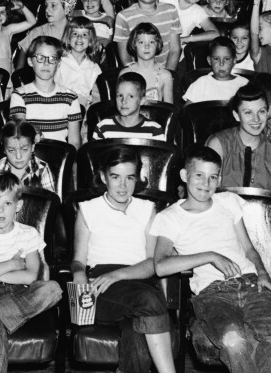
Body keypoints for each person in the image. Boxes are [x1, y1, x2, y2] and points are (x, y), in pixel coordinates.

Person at [151, 145, 271, 373]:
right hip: (213, 293)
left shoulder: (228, 202)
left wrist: (263, 274)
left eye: (213, 177)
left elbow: (250, 250)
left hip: (252, 285)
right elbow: (161, 266)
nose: (206, 183)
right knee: (234, 341)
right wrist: (210, 256)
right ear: (185, 176)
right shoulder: (170, 217)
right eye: (199, 176)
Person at [70, 146, 177, 373]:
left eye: (129, 178)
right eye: (115, 177)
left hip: (138, 281)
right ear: (103, 177)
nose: (122, 185)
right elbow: (78, 260)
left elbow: (152, 263)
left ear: (136, 179)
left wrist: (118, 275)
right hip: (100, 288)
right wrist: (79, 274)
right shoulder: (89, 209)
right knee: (150, 301)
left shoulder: (147, 209)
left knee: (136, 333)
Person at [0, 171, 63, 373]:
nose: (0, 210)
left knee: (53, 289)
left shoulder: (28, 233)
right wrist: (11, 264)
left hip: (22, 293)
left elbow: (31, 276)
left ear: (19, 206)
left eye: (7, 204)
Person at [206, 84, 271, 192]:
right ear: (236, 115)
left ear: (268, 113)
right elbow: (208, 192)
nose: (256, 119)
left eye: (261, 111)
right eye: (248, 113)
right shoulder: (218, 144)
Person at [9, 35, 82, 149]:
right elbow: (21, 126)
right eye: (40, 58)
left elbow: (74, 141)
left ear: (58, 64)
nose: (46, 63)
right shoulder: (19, 94)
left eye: (52, 58)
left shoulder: (71, 97)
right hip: (31, 156)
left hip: (60, 159)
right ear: (30, 61)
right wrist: (33, 129)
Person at [92, 72, 167, 141]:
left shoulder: (154, 130)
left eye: (131, 96)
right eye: (120, 95)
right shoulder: (104, 127)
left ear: (142, 100)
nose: (124, 101)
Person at [0, 121, 56, 192]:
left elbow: (51, 201)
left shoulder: (42, 169)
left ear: (32, 147)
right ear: (4, 149)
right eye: (11, 150)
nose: (18, 156)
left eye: (24, 149)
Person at [183, 37, 249, 103]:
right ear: (209, 60)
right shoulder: (201, 83)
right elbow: (188, 110)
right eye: (216, 59)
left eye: (226, 59)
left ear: (234, 61)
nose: (221, 64)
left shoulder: (244, 84)